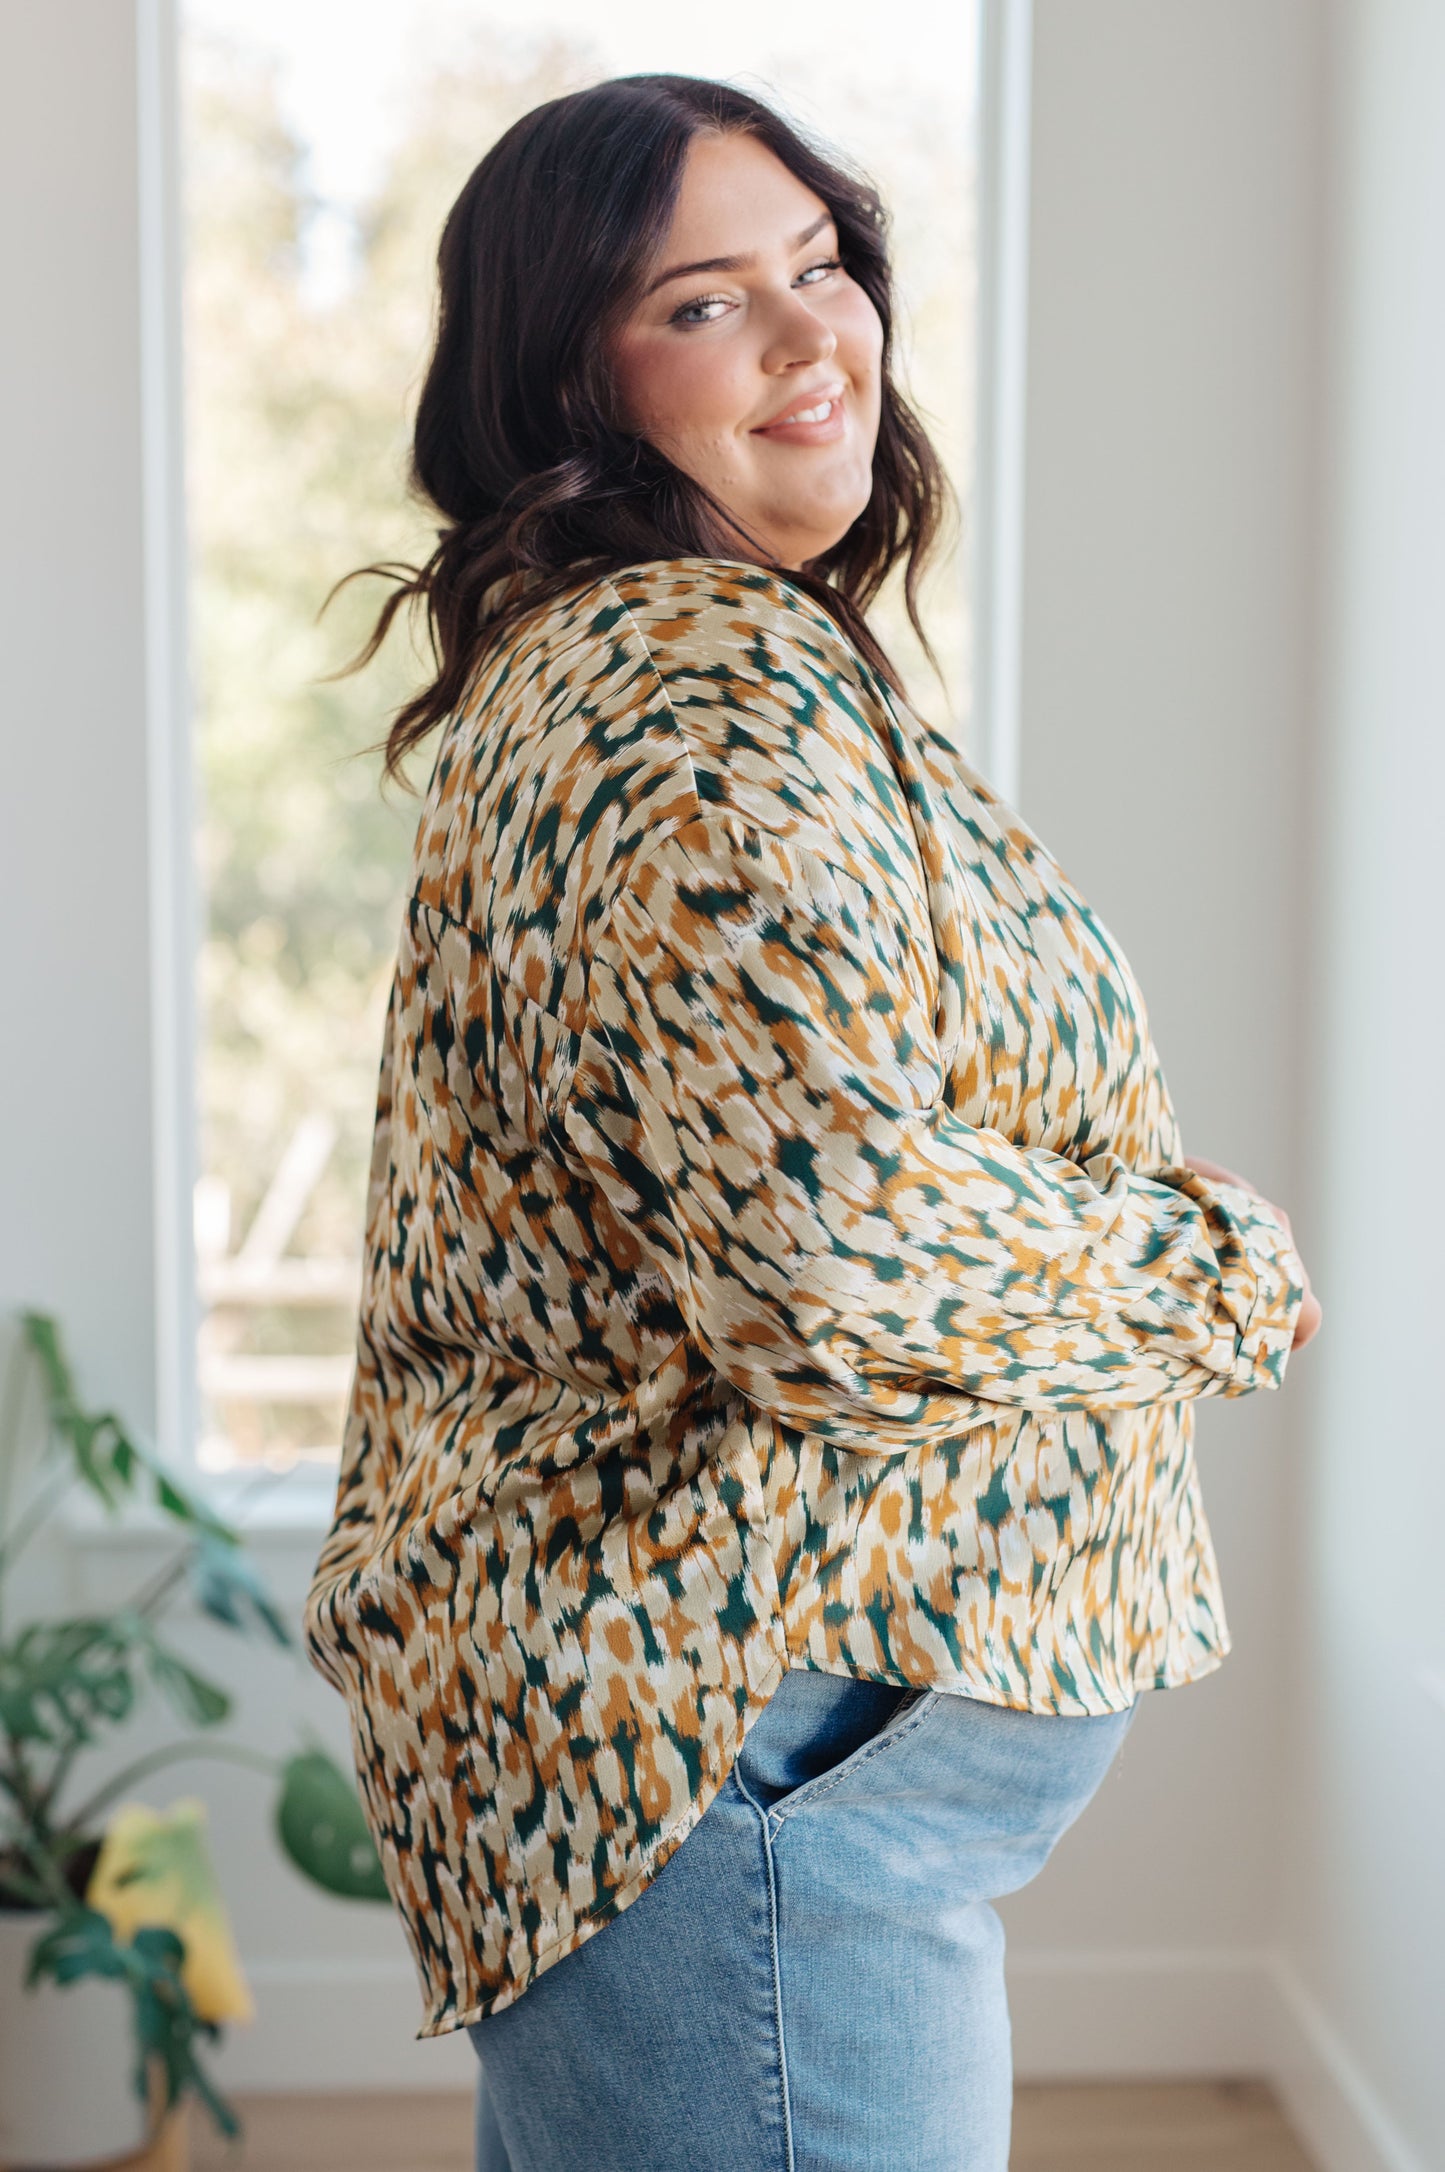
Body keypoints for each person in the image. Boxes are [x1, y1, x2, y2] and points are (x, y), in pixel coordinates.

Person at [303, 74, 1320, 2172]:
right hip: (740, 1789)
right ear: (564, 371)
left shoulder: (694, 664)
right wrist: (1208, 1269)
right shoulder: (692, 688)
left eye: (820, 265)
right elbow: (829, 1266)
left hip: (750, 1800)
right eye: (702, 301)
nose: (808, 334)